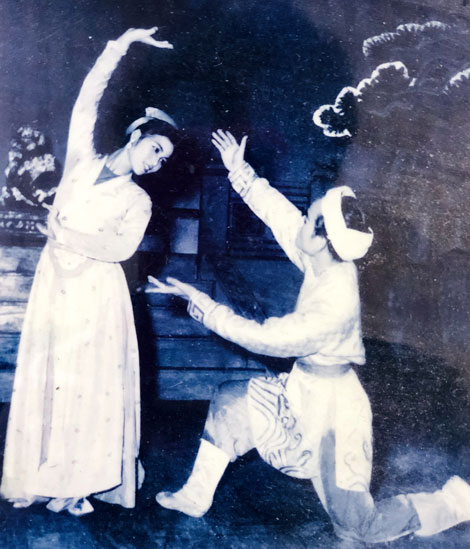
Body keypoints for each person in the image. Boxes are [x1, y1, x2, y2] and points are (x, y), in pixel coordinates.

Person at [148, 130, 470, 543]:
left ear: (322, 238)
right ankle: (196, 496)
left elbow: (266, 338)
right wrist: (240, 172)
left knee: (358, 528)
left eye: (310, 215)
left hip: (335, 415)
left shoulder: (335, 303)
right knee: (232, 401)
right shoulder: (324, 257)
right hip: (303, 388)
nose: (302, 218)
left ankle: (453, 502)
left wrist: (205, 306)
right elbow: (282, 217)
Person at [0, 27, 177, 516]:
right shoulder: (81, 159)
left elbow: (120, 248)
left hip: (97, 296)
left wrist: (62, 233)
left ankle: (79, 482)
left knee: (85, 387)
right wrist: (121, 45)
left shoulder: (138, 200)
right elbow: (87, 101)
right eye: (155, 149)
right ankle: (38, 477)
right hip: (54, 287)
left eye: (164, 160)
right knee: (48, 379)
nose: (157, 163)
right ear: (137, 136)